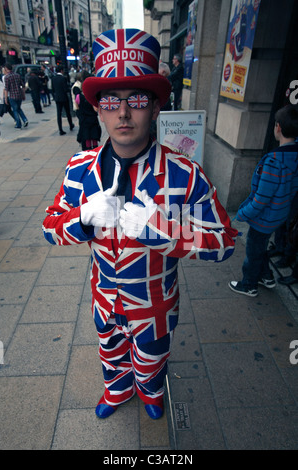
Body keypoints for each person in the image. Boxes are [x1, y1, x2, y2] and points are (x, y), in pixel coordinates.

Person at [42, 28, 238, 421]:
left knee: (151, 359)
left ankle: (149, 390)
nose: (124, 113)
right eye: (111, 100)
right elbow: (49, 227)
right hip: (104, 301)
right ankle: (117, 390)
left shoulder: (185, 174)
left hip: (156, 306)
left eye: (137, 99)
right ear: (97, 108)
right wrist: (81, 219)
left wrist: (165, 232)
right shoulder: (80, 170)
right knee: (111, 355)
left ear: (155, 108)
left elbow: (225, 241)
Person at [229, 104, 298, 297]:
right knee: (261, 246)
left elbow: (261, 200)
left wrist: (241, 215)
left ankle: (248, 285)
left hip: (264, 218)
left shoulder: (274, 161)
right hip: (279, 215)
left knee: (253, 250)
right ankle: (266, 277)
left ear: (278, 128)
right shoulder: (294, 156)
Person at [74, 70, 102, 150]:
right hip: (92, 120)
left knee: (87, 141)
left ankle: (87, 156)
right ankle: (94, 155)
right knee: (94, 141)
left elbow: (77, 107)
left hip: (84, 121)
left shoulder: (78, 96)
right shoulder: (92, 97)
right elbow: (96, 109)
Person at [3, 63, 28, 129]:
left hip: (12, 96)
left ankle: (18, 124)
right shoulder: (17, 75)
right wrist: (23, 94)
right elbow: (22, 86)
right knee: (19, 108)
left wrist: (5, 98)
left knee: (15, 110)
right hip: (19, 95)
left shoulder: (7, 77)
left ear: (6, 69)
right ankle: (25, 120)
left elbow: (6, 89)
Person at [51, 65, 74, 135]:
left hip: (57, 98)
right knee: (68, 112)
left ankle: (60, 129)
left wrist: (54, 97)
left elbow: (52, 89)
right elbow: (65, 89)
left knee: (59, 114)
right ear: (61, 71)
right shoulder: (63, 78)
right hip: (64, 98)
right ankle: (70, 125)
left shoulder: (53, 78)